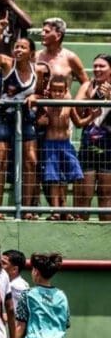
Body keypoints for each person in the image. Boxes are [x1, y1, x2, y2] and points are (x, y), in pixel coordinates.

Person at [0, 19, 39, 219]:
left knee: (31, 162)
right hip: (3, 117)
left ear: (32, 53)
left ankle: (27, 208)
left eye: (23, 47)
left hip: (25, 118)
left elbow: (42, 91)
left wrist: (35, 95)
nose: (18, 50)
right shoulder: (7, 64)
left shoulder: (38, 70)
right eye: (17, 47)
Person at [35, 75, 89, 219]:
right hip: (50, 145)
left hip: (65, 145)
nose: (57, 94)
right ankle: (56, 210)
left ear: (65, 91)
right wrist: (40, 121)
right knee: (53, 179)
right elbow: (37, 121)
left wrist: (92, 116)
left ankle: (67, 209)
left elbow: (78, 123)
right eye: (54, 90)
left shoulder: (68, 105)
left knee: (72, 175)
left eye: (60, 91)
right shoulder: (45, 105)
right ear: (50, 91)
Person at [72, 54, 111, 221]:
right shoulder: (87, 85)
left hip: (109, 145)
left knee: (106, 192)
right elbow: (75, 111)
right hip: (89, 142)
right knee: (84, 192)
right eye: (95, 66)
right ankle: (81, 224)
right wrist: (91, 97)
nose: (97, 69)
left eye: (102, 66)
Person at [35, 17, 88, 86]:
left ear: (58, 35)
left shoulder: (70, 58)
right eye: (42, 31)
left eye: (47, 32)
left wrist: (79, 93)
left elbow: (86, 83)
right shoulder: (35, 56)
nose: (42, 34)